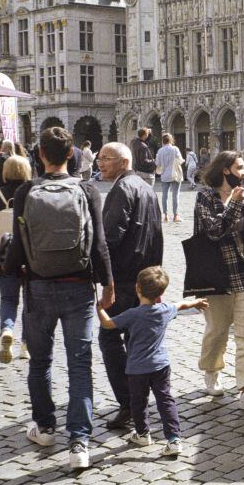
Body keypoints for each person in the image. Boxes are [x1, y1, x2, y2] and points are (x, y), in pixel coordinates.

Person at [4, 127, 114, 470]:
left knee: (40, 360)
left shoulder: (26, 191)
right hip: (78, 286)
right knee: (80, 362)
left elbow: (18, 245)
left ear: (40, 156)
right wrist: (107, 283)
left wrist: (8, 275)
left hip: (37, 286)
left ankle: (46, 426)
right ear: (71, 155)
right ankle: (79, 442)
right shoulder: (86, 189)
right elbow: (98, 245)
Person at [97, 266, 207, 456]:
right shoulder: (165, 310)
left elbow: (108, 324)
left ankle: (142, 434)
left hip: (137, 369)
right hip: (161, 366)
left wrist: (99, 308)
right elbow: (180, 305)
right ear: (162, 293)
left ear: (137, 288)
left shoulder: (132, 314)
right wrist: (195, 302)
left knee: (138, 402)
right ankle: (173, 439)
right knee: (165, 400)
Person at [97, 142, 164, 431]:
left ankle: (129, 402)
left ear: (123, 162)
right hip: (145, 279)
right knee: (136, 343)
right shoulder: (146, 187)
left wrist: (105, 281)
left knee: (110, 337)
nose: (100, 163)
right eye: (99, 158)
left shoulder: (122, 189)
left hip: (125, 280)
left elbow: (109, 239)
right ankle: (138, 399)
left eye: (105, 159)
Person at [194, 150, 244, 412]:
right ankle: (212, 370)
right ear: (225, 170)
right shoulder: (206, 196)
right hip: (217, 275)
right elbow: (213, 231)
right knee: (217, 331)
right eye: (239, 168)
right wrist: (236, 206)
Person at [0, 155, 32, 363]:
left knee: (8, 299)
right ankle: (26, 345)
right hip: (30, 256)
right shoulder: (33, 193)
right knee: (30, 302)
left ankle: (7, 329)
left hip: (3, 255)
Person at [155, 133, 184, 223]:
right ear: (171, 140)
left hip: (164, 175)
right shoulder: (175, 149)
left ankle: (166, 216)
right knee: (175, 195)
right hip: (175, 174)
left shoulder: (160, 150)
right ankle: (175, 216)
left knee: (165, 195)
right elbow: (180, 161)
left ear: (163, 140)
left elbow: (157, 163)